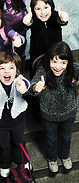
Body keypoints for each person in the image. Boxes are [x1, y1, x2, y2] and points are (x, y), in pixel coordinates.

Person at [29, 41, 79, 173]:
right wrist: (35, 87)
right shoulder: (43, 71)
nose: (58, 66)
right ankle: (52, 159)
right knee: (50, 139)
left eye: (63, 62)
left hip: (69, 113)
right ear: (48, 60)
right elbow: (33, 84)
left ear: (68, 62)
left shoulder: (73, 69)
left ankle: (65, 156)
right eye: (54, 61)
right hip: (48, 115)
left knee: (66, 137)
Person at [0, 51, 31, 182]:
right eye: (2, 68)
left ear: (17, 70)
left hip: (18, 121)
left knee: (19, 142)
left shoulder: (19, 78)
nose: (6, 71)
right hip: (0, 123)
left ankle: (23, 161)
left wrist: (24, 86)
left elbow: (25, 82)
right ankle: (4, 164)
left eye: (11, 68)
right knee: (3, 145)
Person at [23, 0, 69, 78]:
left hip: (55, 53)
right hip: (38, 55)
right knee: (39, 76)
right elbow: (28, 24)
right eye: (38, 9)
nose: (43, 12)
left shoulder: (56, 15)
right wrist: (27, 23)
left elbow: (62, 21)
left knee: (56, 75)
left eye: (46, 7)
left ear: (51, 7)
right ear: (33, 10)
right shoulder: (33, 19)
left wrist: (63, 19)